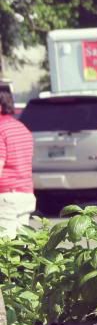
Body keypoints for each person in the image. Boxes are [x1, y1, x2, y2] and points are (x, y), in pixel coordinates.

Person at [0, 88, 34, 238]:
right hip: (25, 194)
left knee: (5, 248)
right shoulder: (22, 128)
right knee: (21, 248)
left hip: (6, 197)